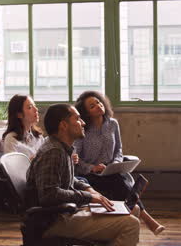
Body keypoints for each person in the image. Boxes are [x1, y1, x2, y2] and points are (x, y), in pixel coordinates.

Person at [25, 103, 140, 245]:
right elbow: (49, 195)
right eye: (78, 119)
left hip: (65, 211)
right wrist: (89, 197)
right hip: (54, 220)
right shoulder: (53, 152)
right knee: (130, 224)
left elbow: (68, 179)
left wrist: (88, 189)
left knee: (132, 209)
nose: (83, 123)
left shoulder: (61, 147)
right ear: (64, 125)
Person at [73, 90, 165, 235]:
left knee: (119, 180)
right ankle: (146, 219)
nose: (98, 106)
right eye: (92, 106)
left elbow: (118, 150)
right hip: (90, 175)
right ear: (86, 113)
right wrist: (93, 167)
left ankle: (132, 221)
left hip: (111, 171)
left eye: (98, 102)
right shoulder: (82, 129)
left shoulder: (113, 124)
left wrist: (115, 164)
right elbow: (75, 157)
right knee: (120, 183)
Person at [2, 94, 45, 160]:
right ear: (19, 115)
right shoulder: (11, 140)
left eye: (35, 106)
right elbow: (12, 168)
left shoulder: (38, 137)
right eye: (30, 107)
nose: (36, 109)